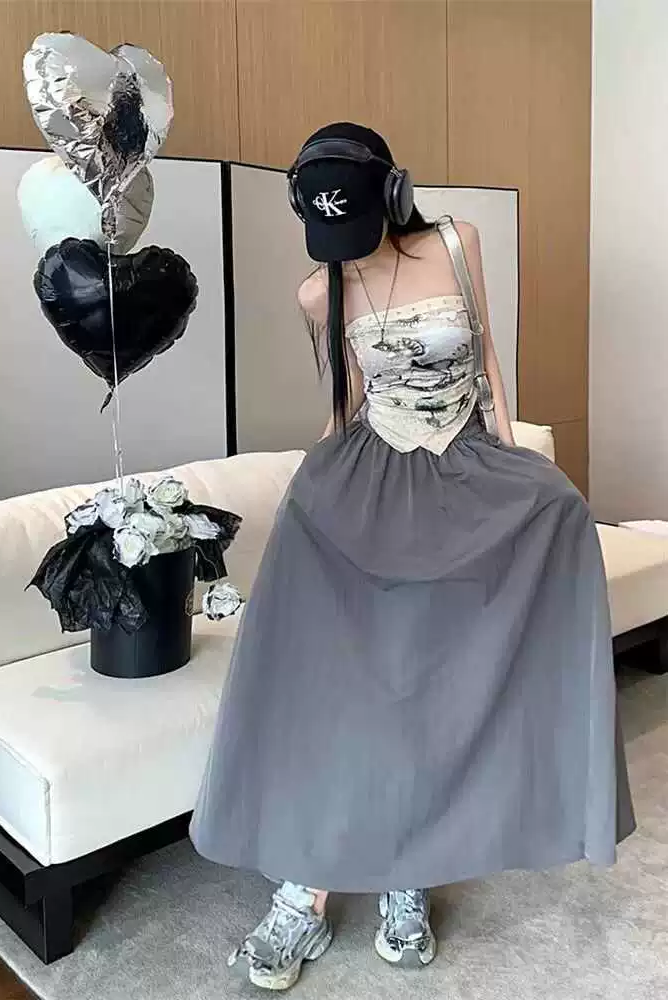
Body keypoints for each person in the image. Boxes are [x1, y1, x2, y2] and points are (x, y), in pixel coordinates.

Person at [189, 122, 635, 992]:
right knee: (342, 684)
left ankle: (409, 874)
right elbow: (346, 401)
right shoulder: (320, 290)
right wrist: (313, 492)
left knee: (439, 681)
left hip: (464, 472)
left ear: (394, 193)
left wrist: (518, 470)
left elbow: (489, 363)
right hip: (374, 478)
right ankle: (304, 891)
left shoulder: (459, 244)